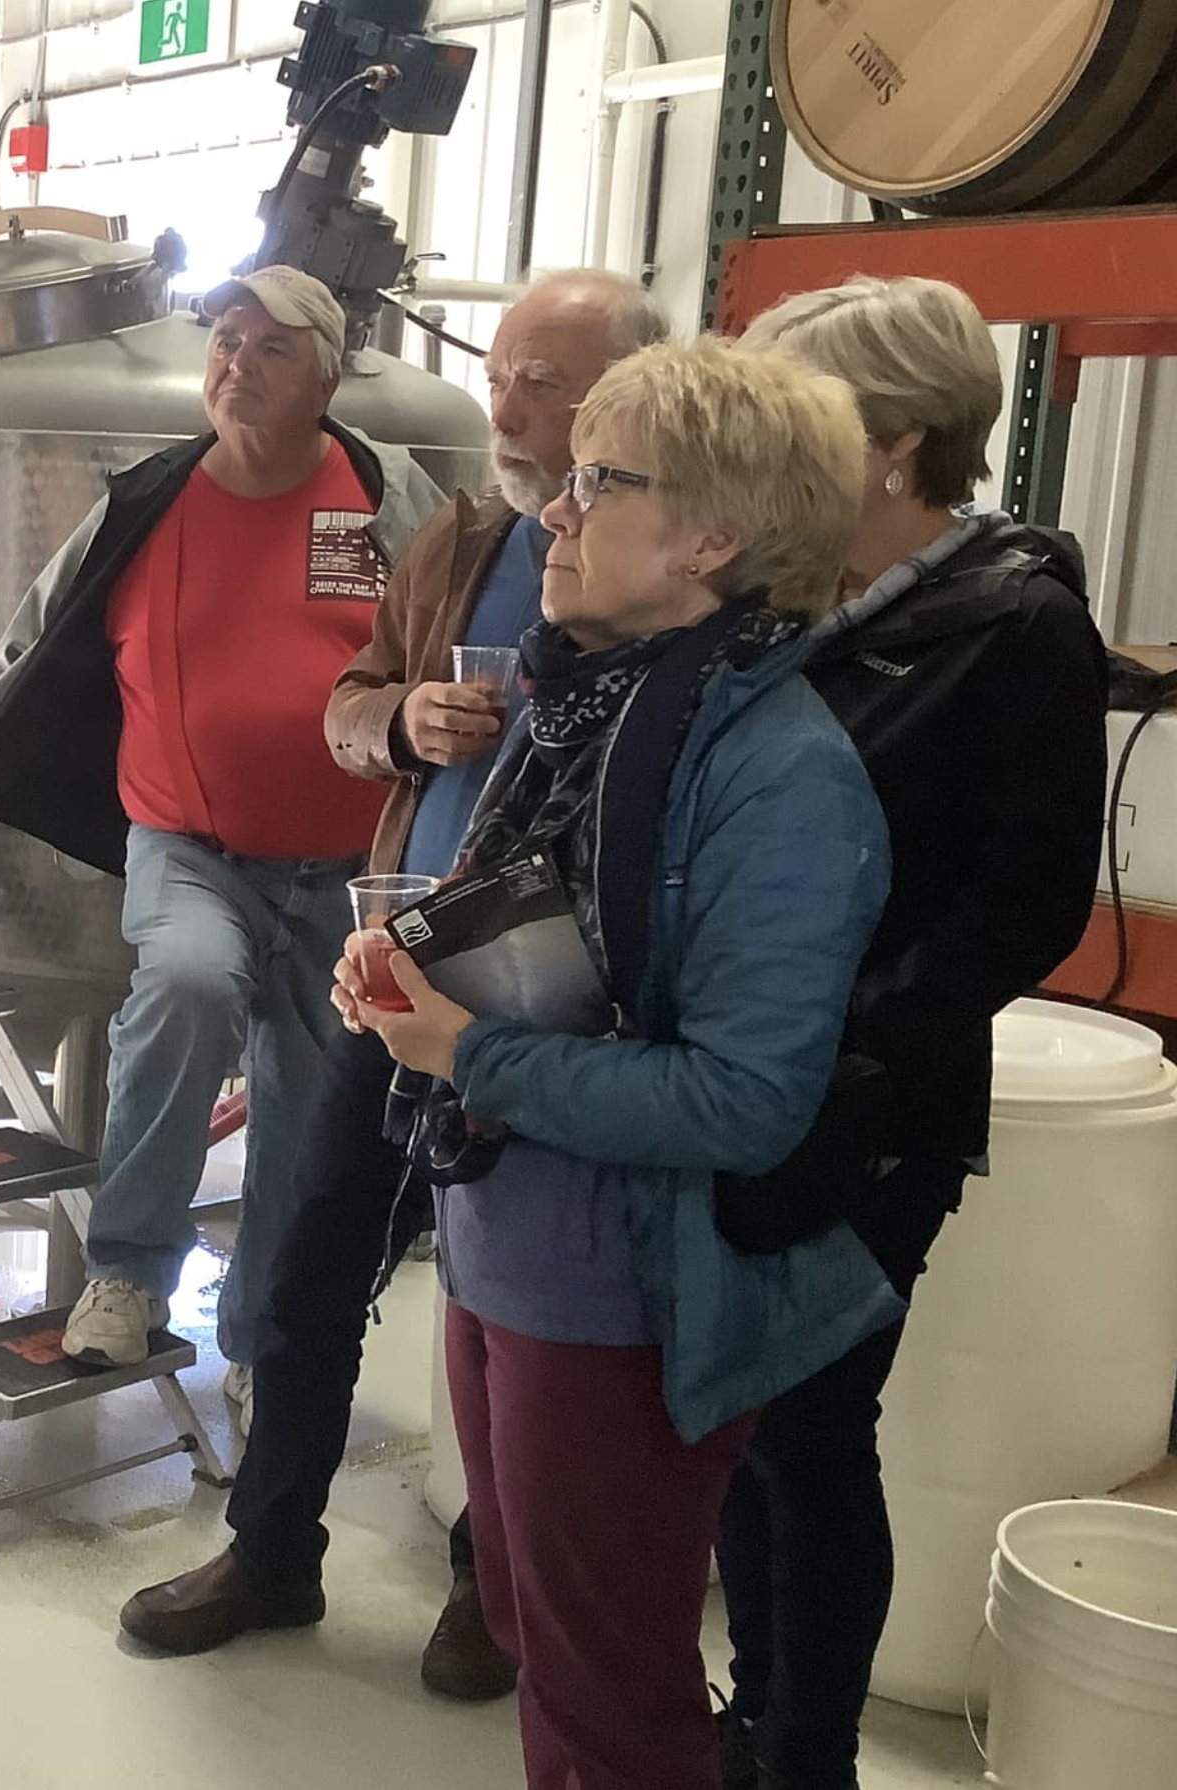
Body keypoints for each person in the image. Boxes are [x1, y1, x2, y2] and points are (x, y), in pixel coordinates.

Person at [346, 338, 904, 1790]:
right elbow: (544, 947)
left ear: (712, 536)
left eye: (601, 482)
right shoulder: (577, 712)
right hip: (505, 1239)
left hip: (623, 1291)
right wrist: (417, 968)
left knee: (610, 1701)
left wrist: (468, 1048)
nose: (556, 509)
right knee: (540, 1637)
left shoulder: (777, 774)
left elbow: (743, 1098)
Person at [117, 269, 674, 1669]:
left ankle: (494, 1579)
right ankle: (270, 1548)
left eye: (544, 383)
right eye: (499, 375)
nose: (506, 407)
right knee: (312, 1252)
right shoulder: (460, 540)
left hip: (552, 1000)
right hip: (403, 960)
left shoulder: (660, 572)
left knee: (504, 1306)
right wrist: (402, 720)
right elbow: (349, 702)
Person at [0, 267, 442, 1405]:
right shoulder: (148, 499)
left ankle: (265, 1336)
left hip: (347, 866)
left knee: (307, 1105)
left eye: (272, 349)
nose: (238, 364)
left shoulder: (386, 497)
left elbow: (454, 620)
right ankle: (126, 1273)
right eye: (226, 341)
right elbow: (31, 644)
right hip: (188, 847)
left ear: (327, 380)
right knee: (184, 983)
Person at [715, 277, 1109, 1790]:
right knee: (737, 1412)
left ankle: (802, 1756)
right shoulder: (796, 598)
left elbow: (1025, 905)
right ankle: (752, 1713)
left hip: (873, 1104)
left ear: (891, 442)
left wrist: (852, 1048)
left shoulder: (1015, 624)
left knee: (810, 1426)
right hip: (744, 1079)